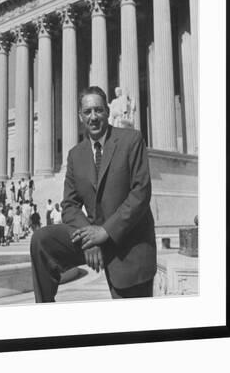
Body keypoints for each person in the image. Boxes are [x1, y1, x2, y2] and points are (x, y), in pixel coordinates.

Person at [30, 85, 156, 302]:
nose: (93, 117)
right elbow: (69, 205)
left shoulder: (131, 140)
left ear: (107, 112)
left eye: (98, 110)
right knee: (42, 241)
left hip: (128, 239)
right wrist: (90, 238)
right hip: (93, 236)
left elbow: (141, 193)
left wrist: (105, 232)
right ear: (80, 117)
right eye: (88, 112)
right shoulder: (75, 155)